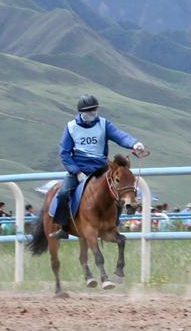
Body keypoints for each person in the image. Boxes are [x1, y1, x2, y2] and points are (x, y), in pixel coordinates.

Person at [53, 94, 145, 240]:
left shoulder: (104, 124)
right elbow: (64, 153)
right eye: (89, 111)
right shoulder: (71, 128)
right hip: (79, 170)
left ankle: (113, 226)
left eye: (94, 110)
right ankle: (63, 227)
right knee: (64, 193)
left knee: (118, 192)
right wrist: (76, 172)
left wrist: (134, 144)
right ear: (81, 112)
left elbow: (119, 136)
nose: (92, 113)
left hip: (102, 170)